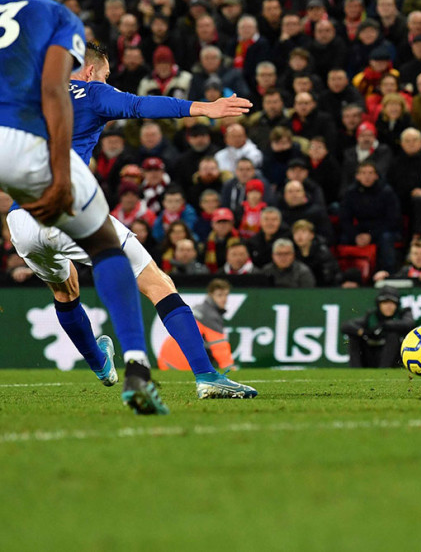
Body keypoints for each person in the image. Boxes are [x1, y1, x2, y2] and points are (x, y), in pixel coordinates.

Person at [6, 40, 258, 402]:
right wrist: (205, 108)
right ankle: (207, 376)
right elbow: (140, 105)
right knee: (157, 282)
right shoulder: (92, 92)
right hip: (65, 208)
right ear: (90, 71)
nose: (107, 82)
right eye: (106, 75)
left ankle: (100, 364)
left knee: (65, 289)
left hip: (21, 221)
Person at [0, 0, 190, 415]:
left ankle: (101, 365)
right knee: (109, 249)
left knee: (64, 286)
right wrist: (59, 172)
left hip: (11, 182)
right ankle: (136, 368)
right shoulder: (56, 17)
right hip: (33, 152)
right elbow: (56, 91)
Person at [341, 286, 417, 368]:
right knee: (354, 337)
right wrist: (363, 332)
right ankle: (356, 370)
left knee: (393, 335)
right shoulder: (372, 317)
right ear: (379, 304)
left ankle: (384, 369)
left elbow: (409, 324)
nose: (388, 306)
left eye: (392, 303)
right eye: (385, 303)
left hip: (394, 359)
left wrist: (385, 325)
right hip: (371, 356)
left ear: (397, 305)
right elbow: (346, 326)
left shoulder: (402, 314)